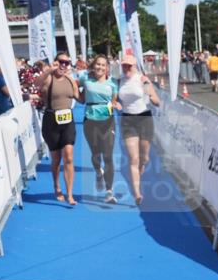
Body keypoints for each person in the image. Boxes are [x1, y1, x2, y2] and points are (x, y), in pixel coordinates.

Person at [36, 52, 81, 205]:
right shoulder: (49, 77)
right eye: (61, 62)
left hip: (67, 120)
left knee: (69, 156)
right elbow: (37, 83)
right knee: (56, 158)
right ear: (55, 62)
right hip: (51, 120)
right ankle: (57, 185)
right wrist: (49, 70)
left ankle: (70, 194)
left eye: (67, 63)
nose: (63, 65)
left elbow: (79, 98)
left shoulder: (70, 79)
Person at [117, 54, 161, 205]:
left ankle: (142, 165)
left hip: (144, 119)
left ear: (135, 66)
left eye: (129, 66)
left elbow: (157, 102)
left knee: (144, 158)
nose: (126, 68)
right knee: (133, 158)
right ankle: (137, 193)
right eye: (124, 66)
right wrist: (115, 104)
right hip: (127, 120)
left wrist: (150, 93)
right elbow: (114, 99)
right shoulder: (119, 80)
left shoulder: (142, 79)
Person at [77, 54, 120, 203]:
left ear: (107, 67)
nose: (100, 67)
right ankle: (98, 172)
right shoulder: (85, 79)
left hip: (108, 121)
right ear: (93, 66)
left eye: (103, 65)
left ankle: (109, 191)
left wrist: (116, 105)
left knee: (108, 155)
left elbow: (114, 101)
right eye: (98, 64)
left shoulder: (113, 83)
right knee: (96, 154)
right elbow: (79, 96)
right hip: (90, 120)